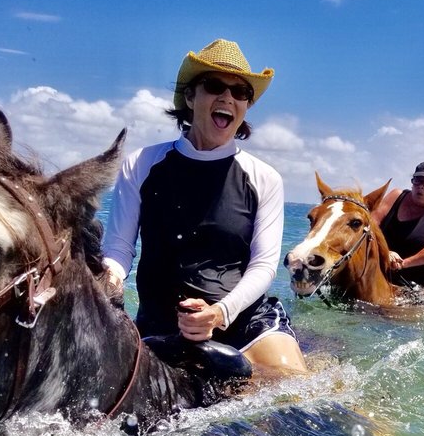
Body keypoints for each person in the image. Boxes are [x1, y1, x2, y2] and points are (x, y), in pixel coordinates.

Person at [102, 38, 307, 374]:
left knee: (295, 393)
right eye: (214, 85)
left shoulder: (265, 178)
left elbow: (265, 266)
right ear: (190, 97)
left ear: (246, 107)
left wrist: (220, 313)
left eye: (240, 92)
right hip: (162, 322)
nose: (228, 97)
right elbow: (119, 248)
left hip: (243, 318)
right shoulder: (141, 164)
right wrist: (108, 282)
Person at [371, 161, 424, 296]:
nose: (420, 187)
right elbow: (370, 226)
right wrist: (385, 252)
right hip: (388, 266)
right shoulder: (396, 196)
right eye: (417, 181)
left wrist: (403, 264)